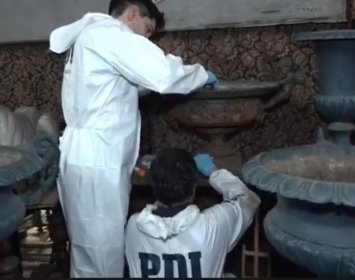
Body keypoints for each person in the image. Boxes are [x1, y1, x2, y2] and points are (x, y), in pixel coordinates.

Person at [48, 0, 219, 277]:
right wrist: (200, 75)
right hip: (97, 160)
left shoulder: (91, 37)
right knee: (103, 252)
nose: (144, 39)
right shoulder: (111, 34)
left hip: (85, 155)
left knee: (87, 249)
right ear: (132, 12)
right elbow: (164, 73)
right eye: (147, 29)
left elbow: (113, 92)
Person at [125, 149, 261, 278]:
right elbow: (248, 199)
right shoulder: (213, 225)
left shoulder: (133, 227)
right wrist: (214, 171)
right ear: (194, 188)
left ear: (153, 187)